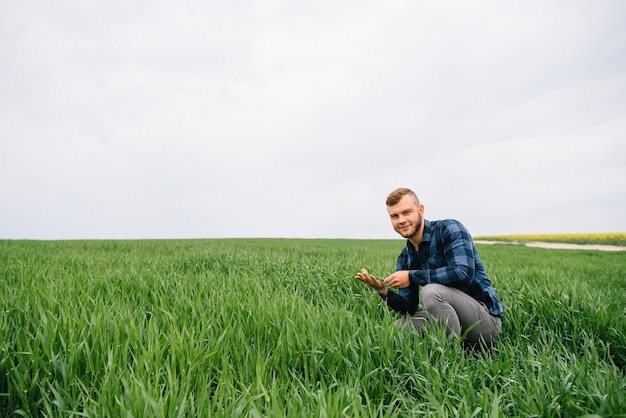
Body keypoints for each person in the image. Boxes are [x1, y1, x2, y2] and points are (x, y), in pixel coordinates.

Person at [355, 188, 503, 348]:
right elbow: (409, 307)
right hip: (450, 320)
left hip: (484, 321)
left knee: (431, 291)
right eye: (395, 216)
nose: (401, 220)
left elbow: (463, 272)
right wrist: (383, 291)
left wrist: (412, 276)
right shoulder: (405, 257)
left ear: (421, 210)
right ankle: (450, 349)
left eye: (407, 212)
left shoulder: (449, 229)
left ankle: (451, 359)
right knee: (397, 328)